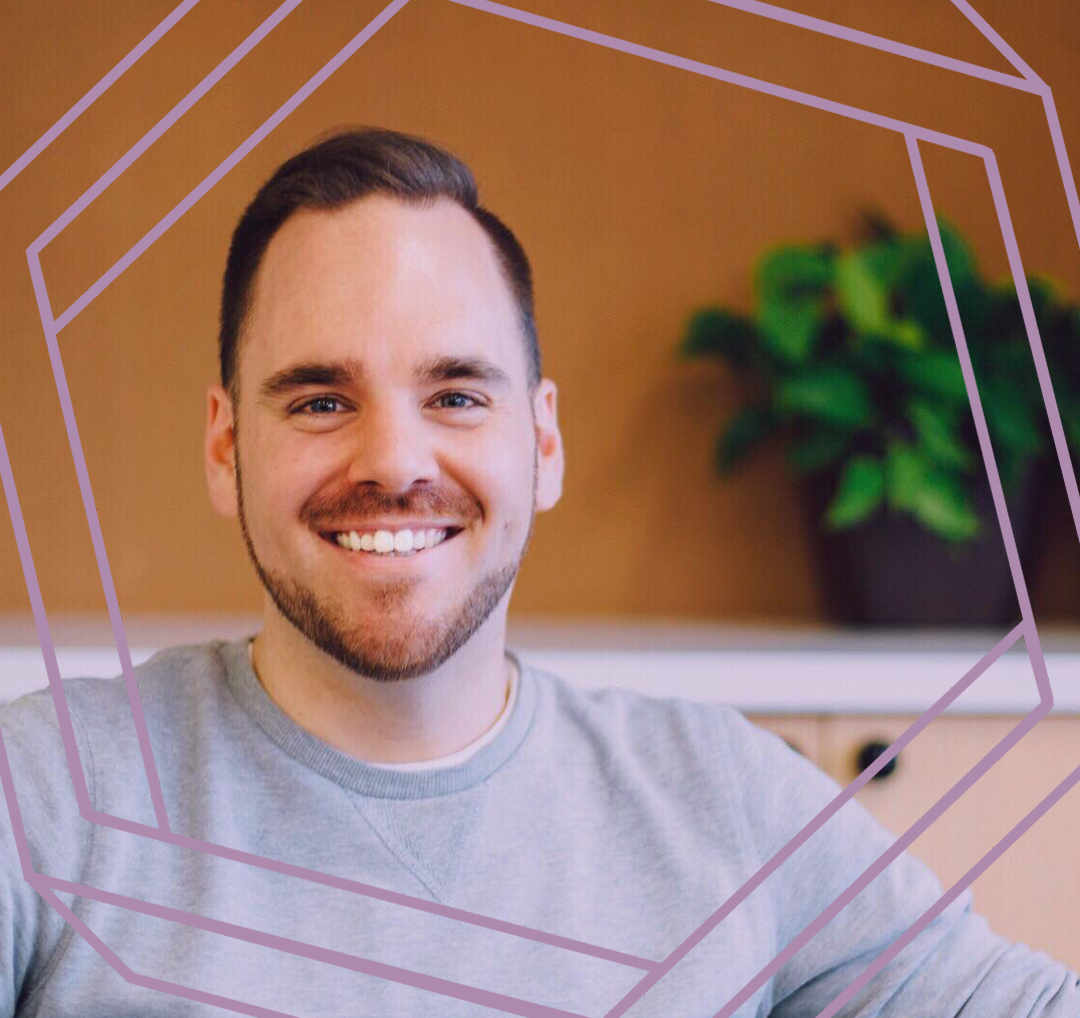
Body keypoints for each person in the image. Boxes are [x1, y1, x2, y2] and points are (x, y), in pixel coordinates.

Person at [1, 127, 1076, 1017]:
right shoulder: (44, 797)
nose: (394, 462)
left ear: (542, 442)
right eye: (321, 400)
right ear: (227, 448)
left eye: (457, 394)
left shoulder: (728, 801)